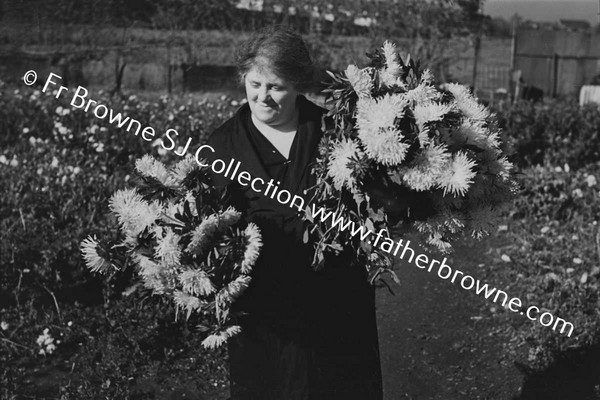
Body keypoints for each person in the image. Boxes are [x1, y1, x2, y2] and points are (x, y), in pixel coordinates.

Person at [204, 26, 383, 400]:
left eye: (277, 87)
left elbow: (372, 204)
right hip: (265, 314)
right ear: (243, 78)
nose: (263, 96)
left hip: (335, 303)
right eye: (255, 84)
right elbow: (206, 231)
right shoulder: (221, 148)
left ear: (299, 84)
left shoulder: (335, 133)